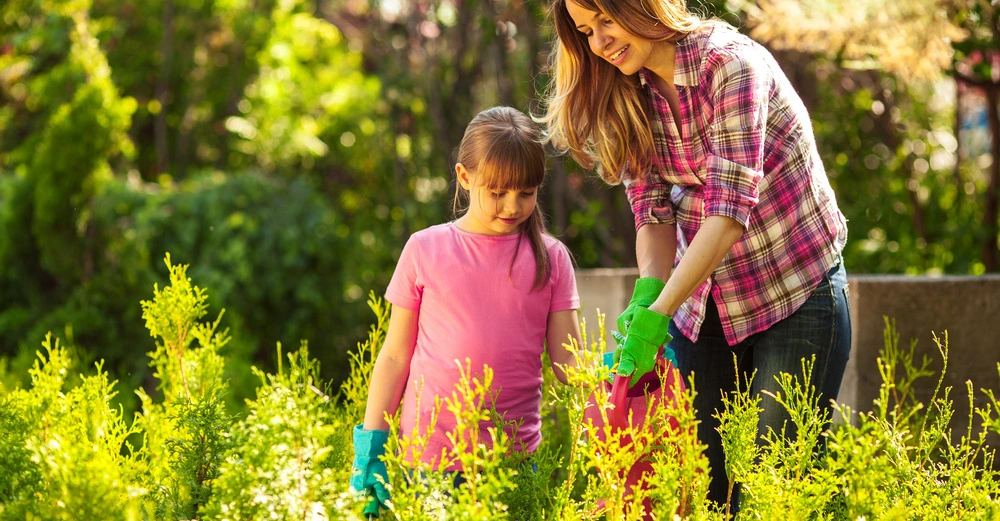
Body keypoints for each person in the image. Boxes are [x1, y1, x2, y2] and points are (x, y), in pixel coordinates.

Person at [538, 0, 851, 510]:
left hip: (795, 292)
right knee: (705, 490)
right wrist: (648, 295)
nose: (598, 42)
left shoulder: (728, 65)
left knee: (776, 482)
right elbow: (653, 214)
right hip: (703, 304)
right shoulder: (627, 92)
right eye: (585, 30)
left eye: (606, 21)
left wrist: (658, 314)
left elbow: (727, 215)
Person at [349, 106, 583, 516]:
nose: (512, 206)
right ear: (464, 177)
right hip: (430, 460)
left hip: (513, 459)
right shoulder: (425, 249)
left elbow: (569, 365)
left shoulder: (552, 258)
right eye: (497, 192)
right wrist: (372, 445)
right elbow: (395, 356)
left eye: (525, 193)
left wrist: (624, 365)